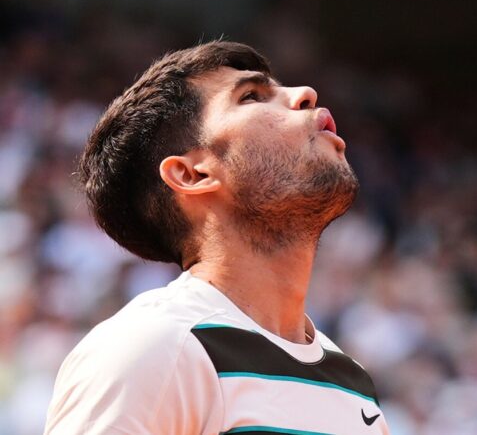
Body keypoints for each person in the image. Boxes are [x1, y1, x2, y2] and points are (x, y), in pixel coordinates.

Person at [44, 41, 390, 435]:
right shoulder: (155, 347)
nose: (305, 94)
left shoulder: (354, 385)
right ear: (193, 174)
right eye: (252, 96)